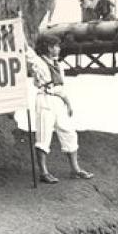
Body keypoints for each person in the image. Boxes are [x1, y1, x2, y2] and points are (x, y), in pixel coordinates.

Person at [25, 34, 93, 184]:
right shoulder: (38, 61)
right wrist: (19, 30)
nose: (59, 48)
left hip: (58, 101)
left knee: (69, 133)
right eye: (56, 46)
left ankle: (75, 169)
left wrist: (68, 102)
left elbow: (60, 88)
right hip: (44, 99)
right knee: (43, 137)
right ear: (49, 48)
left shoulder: (58, 65)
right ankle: (44, 172)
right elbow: (26, 51)